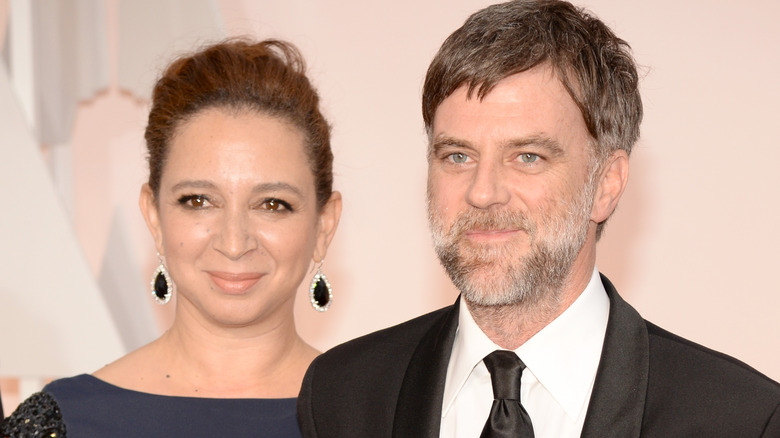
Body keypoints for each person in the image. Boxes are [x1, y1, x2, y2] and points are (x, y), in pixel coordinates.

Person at [297, 1, 780, 437]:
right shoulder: (342, 396)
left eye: (527, 156)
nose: (482, 192)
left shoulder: (741, 418)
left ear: (605, 184)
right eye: (457, 156)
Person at [2, 38, 341, 437]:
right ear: (155, 217)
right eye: (198, 200)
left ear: (324, 225)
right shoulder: (64, 421)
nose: (234, 243)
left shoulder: (387, 417)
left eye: (272, 204)